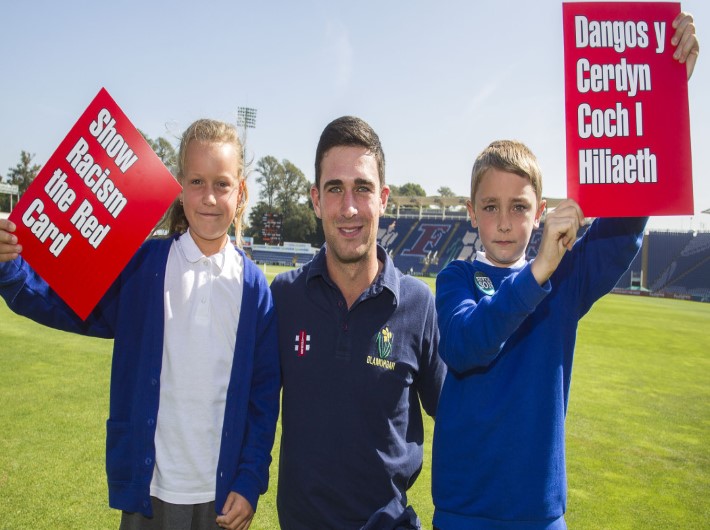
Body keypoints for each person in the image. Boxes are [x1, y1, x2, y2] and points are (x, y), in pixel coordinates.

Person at [431, 13, 699, 530]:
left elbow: (625, 214)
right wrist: (536, 273)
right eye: (490, 206)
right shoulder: (455, 279)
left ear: (541, 210)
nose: (505, 222)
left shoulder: (566, 278)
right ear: (470, 211)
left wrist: (662, 96)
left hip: (539, 515)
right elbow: (466, 347)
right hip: (464, 513)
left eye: (519, 206)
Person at [0, 119, 280, 530]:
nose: (208, 197)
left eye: (222, 184)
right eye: (197, 181)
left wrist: (251, 476)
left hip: (220, 499)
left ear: (240, 191)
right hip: (150, 494)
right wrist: (11, 270)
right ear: (180, 187)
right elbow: (68, 304)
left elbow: (263, 396)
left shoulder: (254, 287)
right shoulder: (144, 266)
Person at [270, 115, 446, 529]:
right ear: (316, 200)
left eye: (362, 188)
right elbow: (250, 408)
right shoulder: (284, 298)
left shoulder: (418, 304)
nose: (349, 208)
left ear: (383, 197)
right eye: (335, 189)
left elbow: (458, 414)